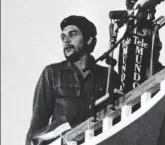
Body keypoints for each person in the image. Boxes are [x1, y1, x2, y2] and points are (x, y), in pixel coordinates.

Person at [26, 15, 120, 145]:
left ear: (88, 40)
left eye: (72, 34)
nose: (66, 41)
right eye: (63, 37)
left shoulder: (109, 76)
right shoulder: (52, 73)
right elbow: (36, 127)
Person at [117, 0, 164, 94]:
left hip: (147, 89)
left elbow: (154, 57)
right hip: (127, 93)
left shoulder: (152, 29)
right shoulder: (125, 31)